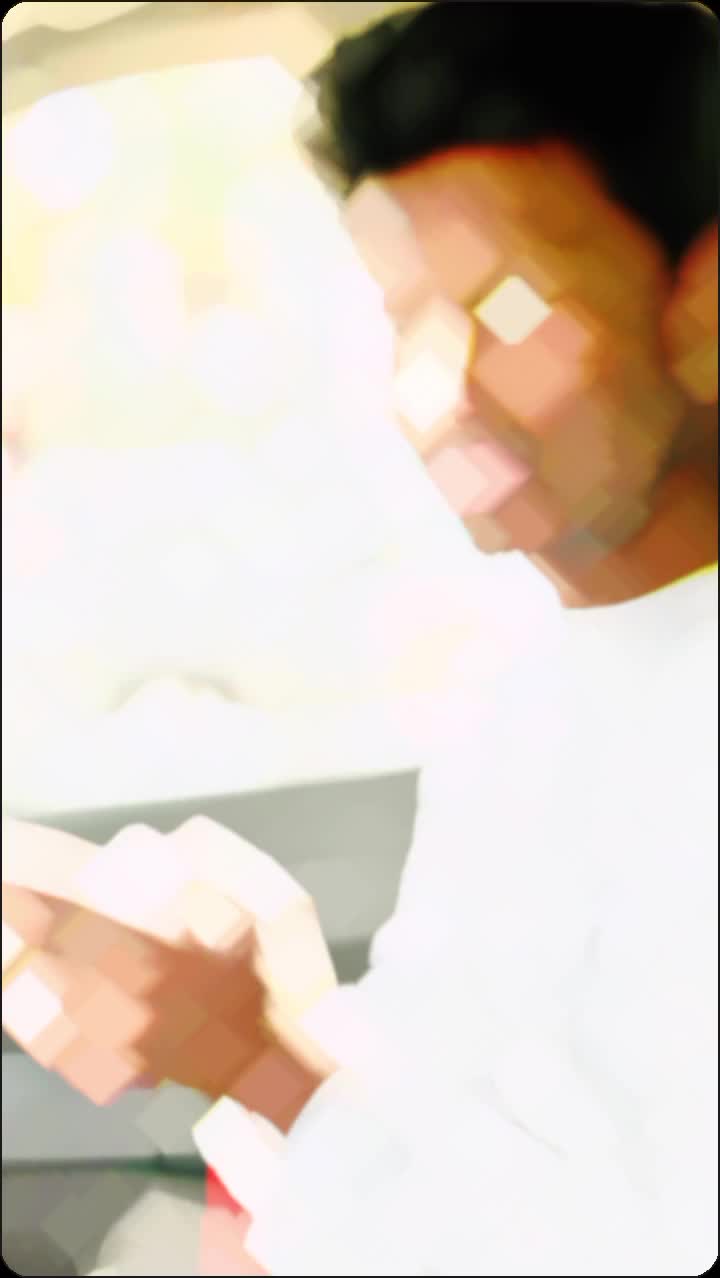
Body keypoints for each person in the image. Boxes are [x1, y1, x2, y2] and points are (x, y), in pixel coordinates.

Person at [3, 3, 717, 1274]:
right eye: (402, 317)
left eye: (512, 307)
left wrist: (259, 1056)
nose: (438, 393)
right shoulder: (533, 690)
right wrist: (255, 1025)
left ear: (704, 302)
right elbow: (456, 1147)